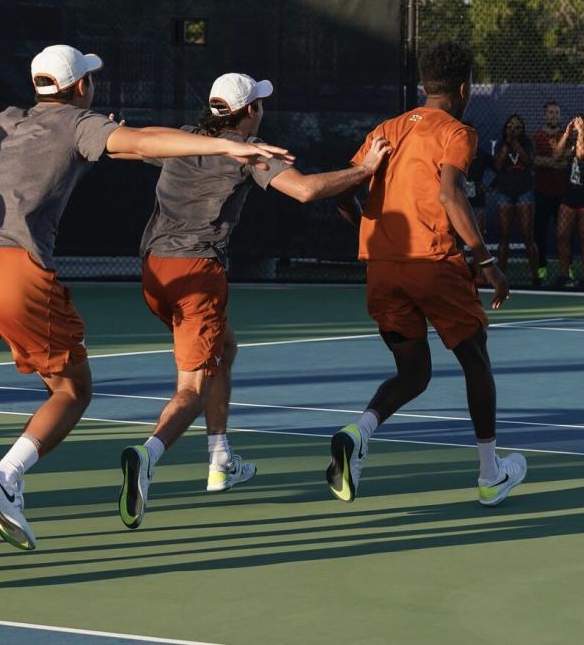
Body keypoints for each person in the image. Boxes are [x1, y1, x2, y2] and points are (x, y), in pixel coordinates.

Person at [0, 45, 289, 594]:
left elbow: (43, 157)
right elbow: (140, 143)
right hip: (14, 267)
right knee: (72, 390)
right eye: (89, 77)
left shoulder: (6, 119)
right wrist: (229, 147)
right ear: (79, 87)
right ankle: (5, 478)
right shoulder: (79, 124)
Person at [118, 74, 390, 530]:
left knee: (225, 349)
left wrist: (115, 132)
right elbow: (305, 190)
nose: (262, 108)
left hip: (153, 271)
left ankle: (220, 460)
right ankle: (147, 455)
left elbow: (133, 146)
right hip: (196, 273)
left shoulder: (182, 140)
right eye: (258, 104)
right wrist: (366, 170)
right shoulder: (250, 154)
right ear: (248, 113)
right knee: (189, 389)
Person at [325, 40, 527, 508]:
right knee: (476, 359)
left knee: (413, 373)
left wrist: (370, 231)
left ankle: (358, 434)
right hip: (432, 264)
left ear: (424, 85)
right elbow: (450, 196)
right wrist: (487, 261)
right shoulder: (458, 130)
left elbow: (343, 191)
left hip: (381, 270)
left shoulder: (386, 128)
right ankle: (490, 473)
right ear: (463, 87)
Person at [488, 113, 541, 283]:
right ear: (505, 129)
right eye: (510, 126)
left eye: (517, 127)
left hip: (524, 190)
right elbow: (497, 166)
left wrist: (516, 143)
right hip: (505, 192)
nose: (513, 129)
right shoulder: (500, 145)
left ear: (522, 130)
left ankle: (535, 276)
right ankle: (501, 276)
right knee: (504, 236)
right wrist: (506, 146)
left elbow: (528, 161)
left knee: (528, 235)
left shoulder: (528, 143)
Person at [551, 112, 584, 288]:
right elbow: (556, 156)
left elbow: (581, 155)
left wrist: (579, 133)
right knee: (562, 235)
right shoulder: (572, 140)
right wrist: (566, 133)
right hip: (570, 193)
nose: (581, 126)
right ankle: (564, 275)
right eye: (579, 123)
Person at [529, 101, 566, 284]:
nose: (553, 115)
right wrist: (554, 161)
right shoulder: (537, 136)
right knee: (540, 233)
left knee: (564, 234)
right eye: (550, 112)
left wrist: (550, 161)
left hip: (562, 193)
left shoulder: (565, 135)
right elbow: (535, 160)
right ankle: (541, 270)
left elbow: (567, 161)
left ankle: (565, 272)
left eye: (556, 112)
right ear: (545, 115)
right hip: (541, 191)